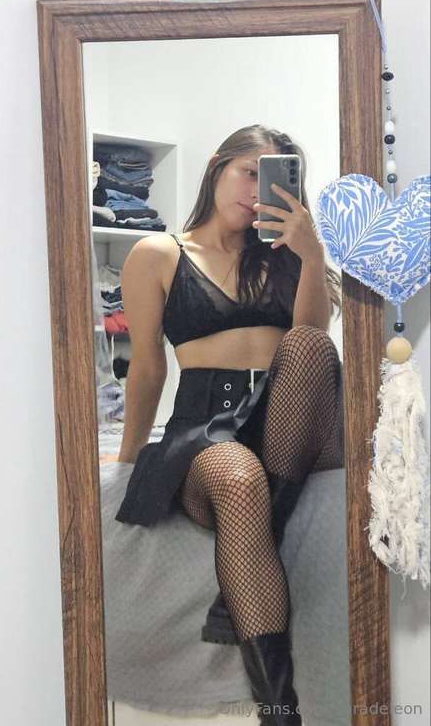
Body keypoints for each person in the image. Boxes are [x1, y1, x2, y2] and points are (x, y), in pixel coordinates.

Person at [113, 124, 343, 725]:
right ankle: (280, 713)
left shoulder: (288, 256)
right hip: (205, 432)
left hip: (286, 427)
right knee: (238, 478)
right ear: (218, 165)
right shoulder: (159, 254)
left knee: (310, 347)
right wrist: (129, 460)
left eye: (271, 180)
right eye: (248, 172)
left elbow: (311, 335)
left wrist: (311, 255)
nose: (254, 191)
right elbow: (147, 366)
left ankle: (249, 561)